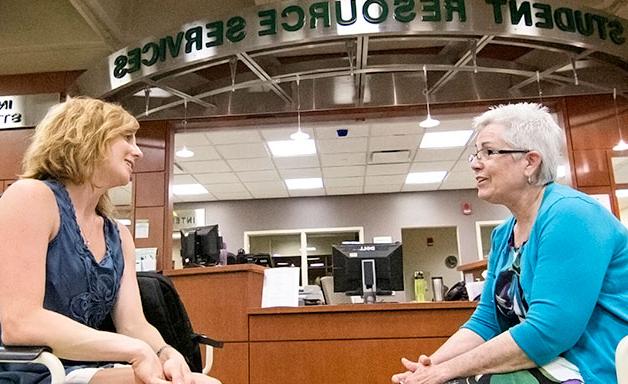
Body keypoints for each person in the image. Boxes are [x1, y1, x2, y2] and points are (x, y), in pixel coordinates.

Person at [392, 103, 628, 384]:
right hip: (548, 363)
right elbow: (487, 321)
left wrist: (447, 371)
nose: (476, 163)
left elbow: (547, 333)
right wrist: (430, 366)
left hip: (593, 369)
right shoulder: (503, 234)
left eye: (489, 152)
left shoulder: (571, 215)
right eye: (476, 154)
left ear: (530, 161)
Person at [0, 97, 221, 384]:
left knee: (203, 382)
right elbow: (20, 323)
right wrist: (136, 350)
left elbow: (132, 324)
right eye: (127, 137)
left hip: (81, 368)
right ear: (87, 135)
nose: (138, 151)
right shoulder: (31, 197)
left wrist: (166, 352)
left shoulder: (118, 234)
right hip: (27, 367)